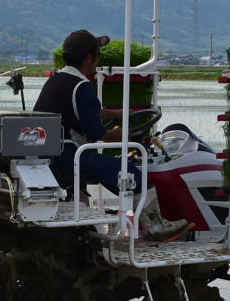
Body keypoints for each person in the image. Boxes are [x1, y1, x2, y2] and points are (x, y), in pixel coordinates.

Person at [34, 29, 187, 240]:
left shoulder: (57, 81)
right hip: (68, 156)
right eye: (98, 54)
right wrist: (127, 135)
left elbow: (76, 110)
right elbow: (97, 133)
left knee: (109, 166)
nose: (98, 59)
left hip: (49, 153)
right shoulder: (82, 86)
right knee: (127, 170)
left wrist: (113, 113)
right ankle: (154, 225)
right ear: (89, 57)